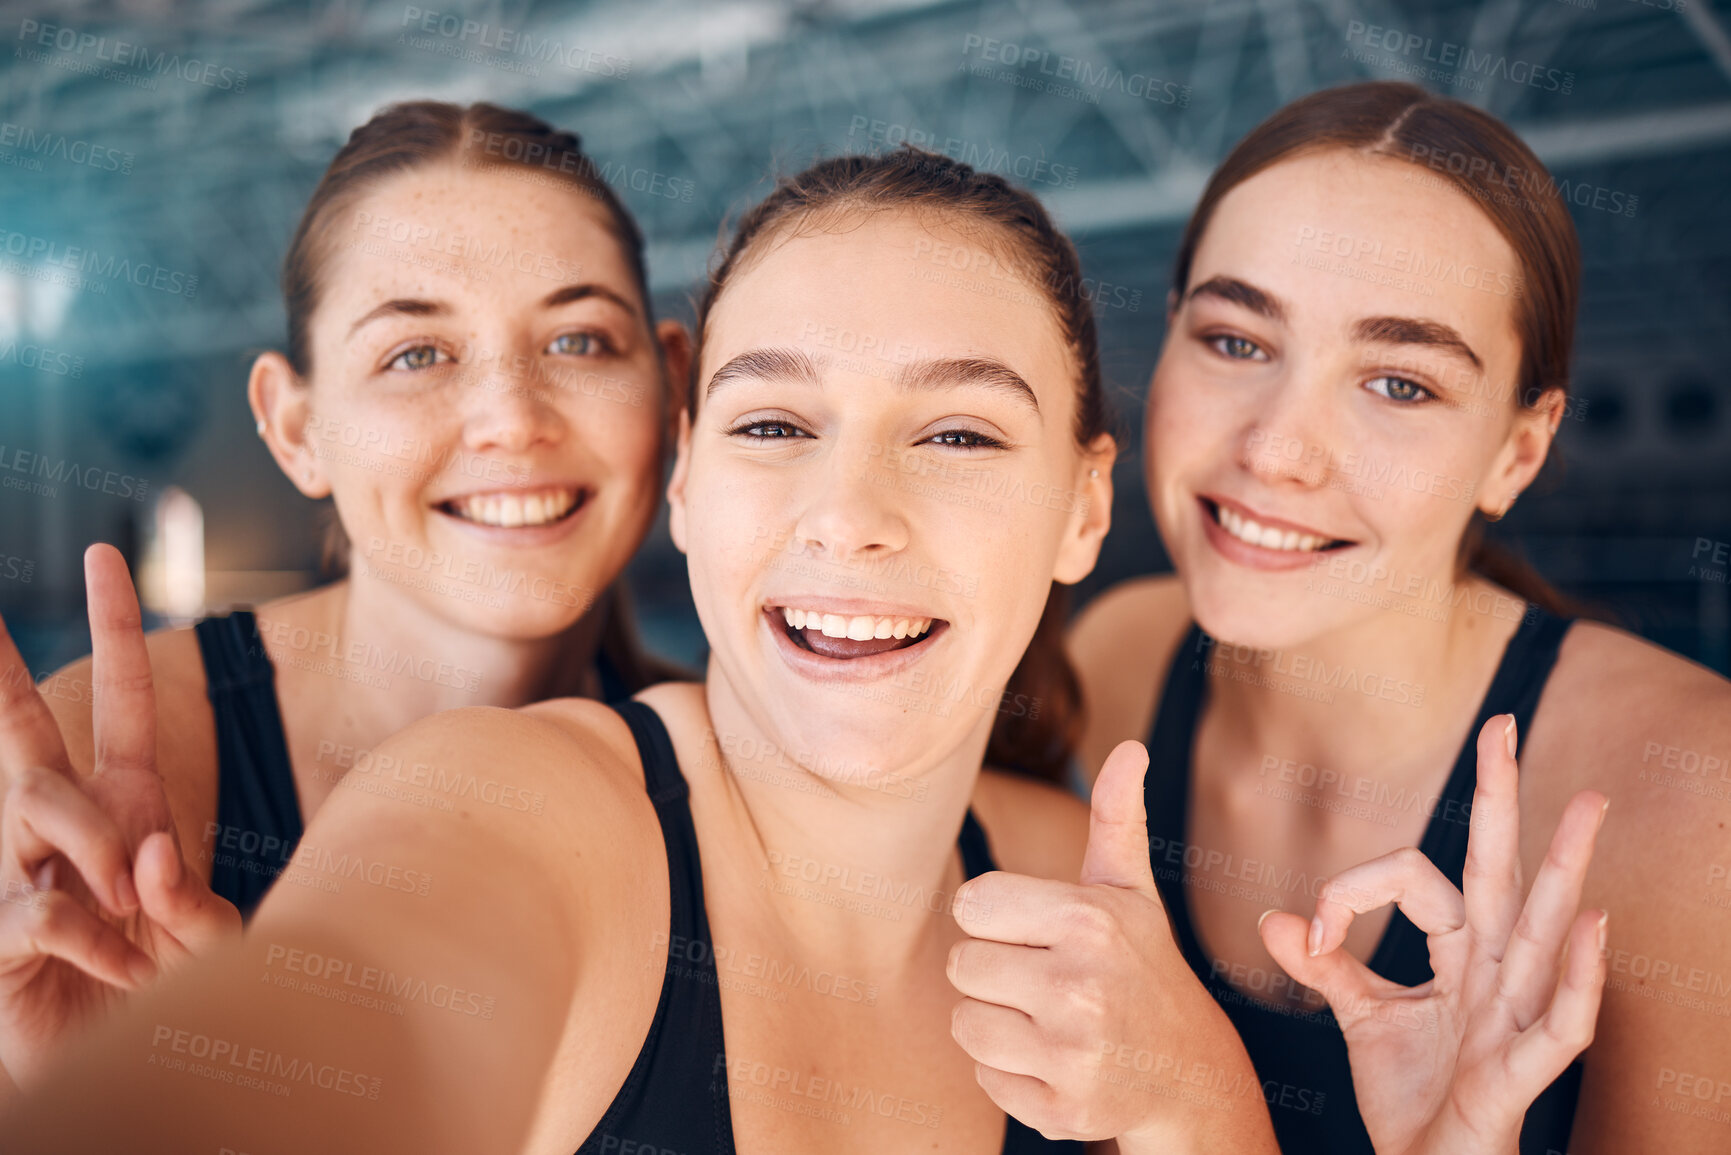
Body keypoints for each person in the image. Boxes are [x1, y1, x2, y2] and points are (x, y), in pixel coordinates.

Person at [4, 145, 1606, 1155]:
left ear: (1081, 506)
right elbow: (364, 1017)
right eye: (777, 422)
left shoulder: (1095, 906)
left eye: (960, 432)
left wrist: (1215, 1117)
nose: (850, 514)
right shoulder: (523, 810)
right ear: (688, 481)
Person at [1069, 80, 1730, 1153]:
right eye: (1236, 340)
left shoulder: (1691, 805)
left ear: (1518, 451)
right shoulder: (1120, 662)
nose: (1277, 450)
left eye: (1400, 385)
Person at [0, 100, 690, 1092]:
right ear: (296, 428)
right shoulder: (107, 794)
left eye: (579, 341)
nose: (511, 419)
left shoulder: (727, 770)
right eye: (417, 354)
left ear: (670, 388)